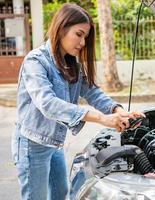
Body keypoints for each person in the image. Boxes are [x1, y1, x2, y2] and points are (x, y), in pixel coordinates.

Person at [11, 3, 144, 200]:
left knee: (60, 192)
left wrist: (118, 110)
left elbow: (93, 92)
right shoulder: (36, 62)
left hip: (53, 143)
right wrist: (101, 119)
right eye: (79, 34)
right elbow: (48, 103)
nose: (82, 42)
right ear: (61, 28)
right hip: (32, 144)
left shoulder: (72, 64)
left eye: (86, 37)